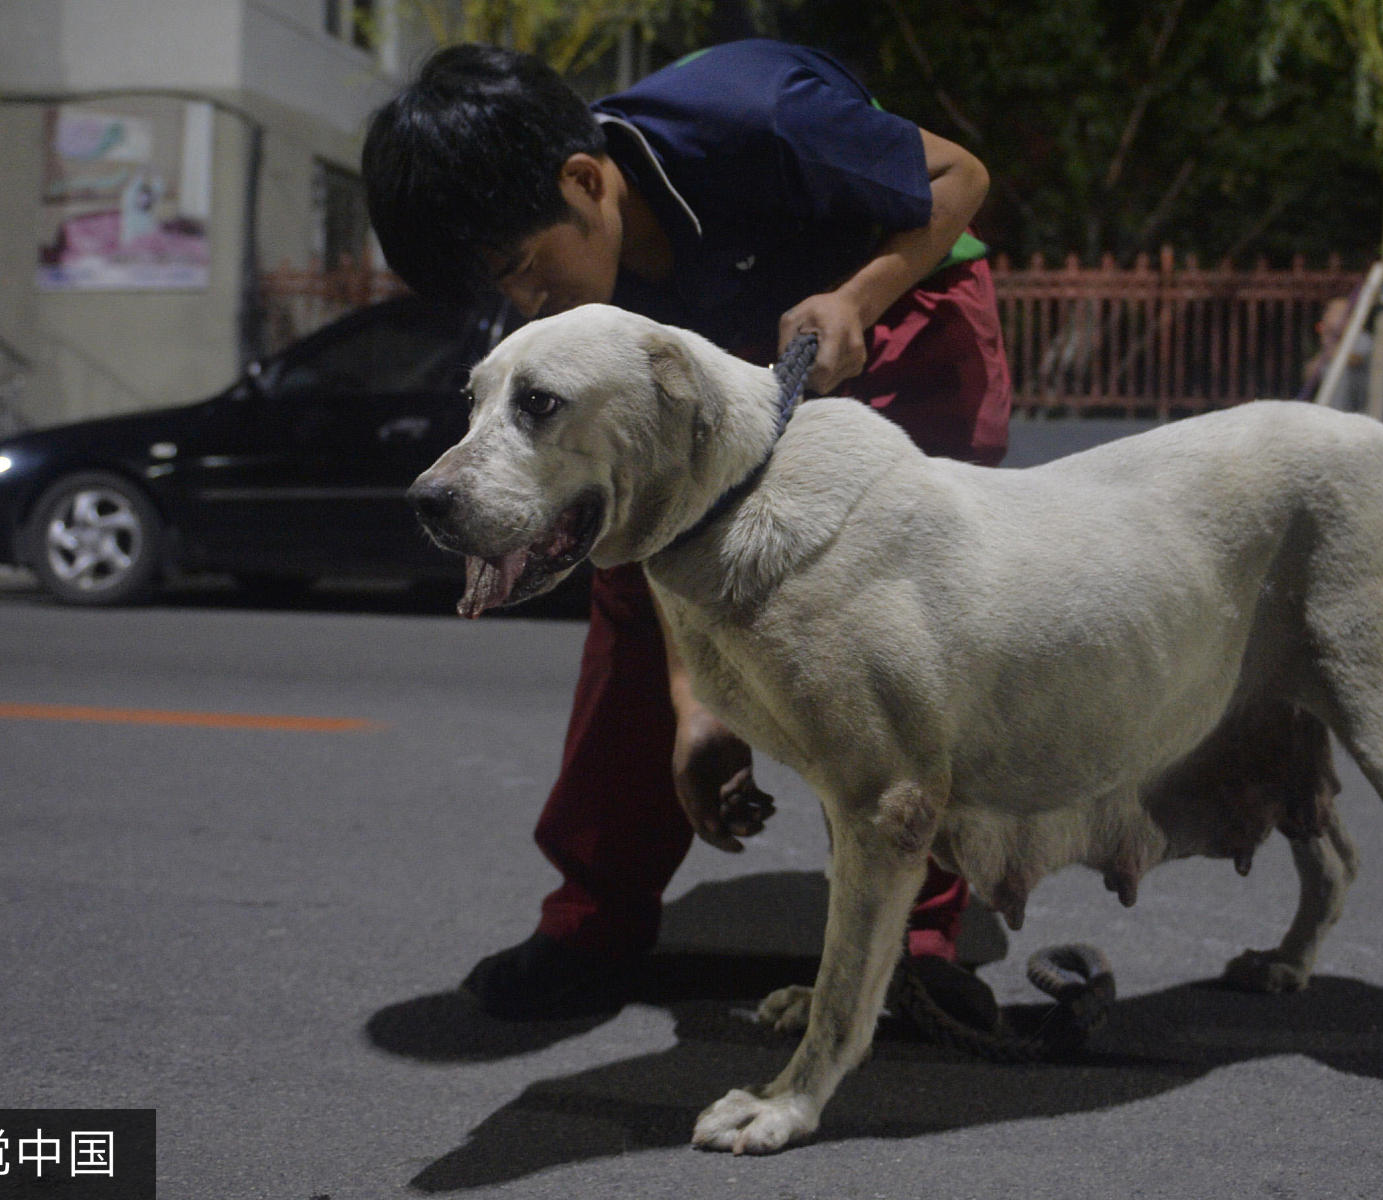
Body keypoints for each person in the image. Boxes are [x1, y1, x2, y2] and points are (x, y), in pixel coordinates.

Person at [363, 39, 1013, 1018]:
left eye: (521, 270)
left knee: (894, 624)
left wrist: (855, 297)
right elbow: (656, 548)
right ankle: (592, 918)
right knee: (624, 591)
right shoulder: (592, 300)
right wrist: (697, 702)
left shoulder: (753, 114)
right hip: (741, 356)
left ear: (585, 183)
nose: (523, 306)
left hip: (901, 313)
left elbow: (960, 175)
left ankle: (914, 940)